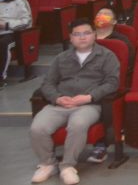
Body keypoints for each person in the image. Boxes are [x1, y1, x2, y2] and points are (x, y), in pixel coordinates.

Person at [30, 18, 119, 185]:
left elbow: (112, 83)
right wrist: (57, 97)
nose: (82, 37)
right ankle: (47, 164)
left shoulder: (107, 56)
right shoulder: (61, 58)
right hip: (60, 104)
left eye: (86, 33)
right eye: (77, 34)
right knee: (37, 127)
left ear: (94, 35)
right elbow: (47, 83)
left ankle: (67, 166)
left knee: (77, 125)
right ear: (71, 38)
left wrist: (89, 97)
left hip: (88, 105)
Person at [0, 0, 32, 88]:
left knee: (3, 44)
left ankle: (1, 78)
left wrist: (6, 25)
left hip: (12, 32)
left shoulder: (19, 2)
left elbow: (27, 22)